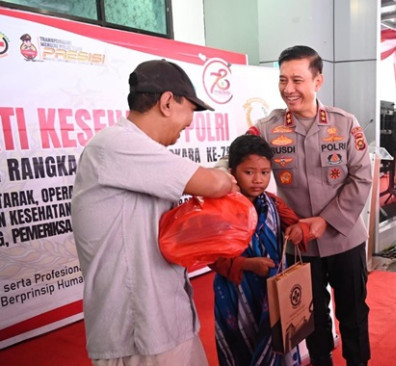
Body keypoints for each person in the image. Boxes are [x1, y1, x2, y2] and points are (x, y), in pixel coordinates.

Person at [71, 59, 236, 365]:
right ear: (167, 102)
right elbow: (211, 183)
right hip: (137, 332)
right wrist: (227, 177)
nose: (190, 122)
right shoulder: (115, 144)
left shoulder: (142, 152)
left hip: (166, 318)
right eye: (191, 110)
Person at [247, 45, 373, 366]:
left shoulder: (345, 124)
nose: (288, 89)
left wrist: (325, 221)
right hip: (299, 245)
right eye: (282, 80)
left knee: (354, 314)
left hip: (344, 239)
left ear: (318, 81)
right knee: (309, 318)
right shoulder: (267, 128)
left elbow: (361, 178)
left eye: (297, 80)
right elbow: (240, 161)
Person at [209, 134, 313, 366]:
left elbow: (295, 224)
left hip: (272, 291)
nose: (258, 180)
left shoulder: (273, 203)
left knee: (275, 344)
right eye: (249, 172)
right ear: (233, 171)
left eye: (265, 173)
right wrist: (246, 264)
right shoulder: (220, 208)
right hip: (236, 294)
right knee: (241, 348)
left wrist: (297, 231)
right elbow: (212, 256)